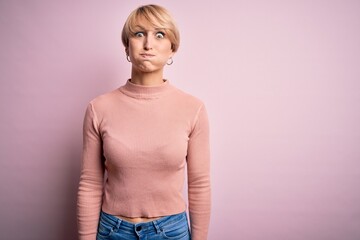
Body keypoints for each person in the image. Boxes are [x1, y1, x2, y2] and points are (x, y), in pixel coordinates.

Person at [77, 4, 211, 240]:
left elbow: (199, 185)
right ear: (127, 46)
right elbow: (89, 184)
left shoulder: (193, 109)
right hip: (112, 231)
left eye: (160, 35)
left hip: (172, 231)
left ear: (172, 49)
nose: (148, 44)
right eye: (139, 34)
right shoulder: (98, 108)